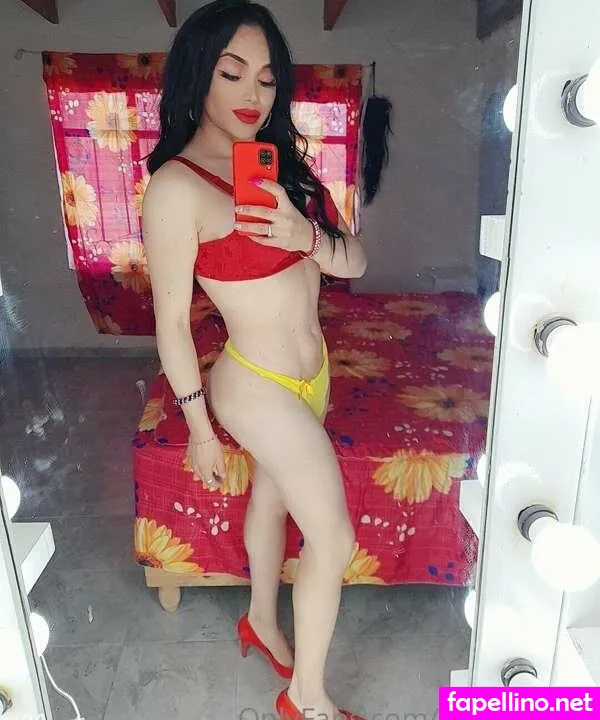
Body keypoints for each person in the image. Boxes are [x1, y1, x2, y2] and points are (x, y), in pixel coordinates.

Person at [142, 2, 367, 718]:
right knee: (333, 537)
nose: (252, 94)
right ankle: (307, 699)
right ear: (196, 77)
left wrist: (306, 237)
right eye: (232, 73)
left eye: (267, 80)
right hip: (253, 382)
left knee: (271, 496)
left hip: (313, 373)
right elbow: (170, 326)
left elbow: (356, 261)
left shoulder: (288, 172)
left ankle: (263, 621)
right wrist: (199, 429)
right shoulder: (176, 187)